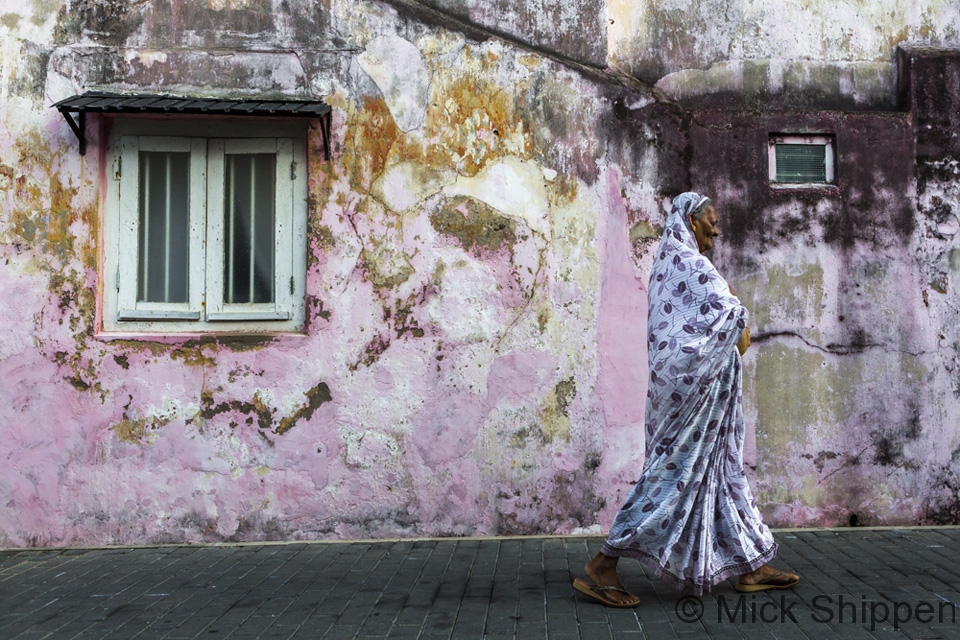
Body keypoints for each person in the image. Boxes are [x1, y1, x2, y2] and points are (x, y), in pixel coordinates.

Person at [574, 192, 799, 606]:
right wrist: (735, 305)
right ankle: (601, 566)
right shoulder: (694, 266)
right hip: (694, 395)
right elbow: (735, 326)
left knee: (721, 473)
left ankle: (751, 566)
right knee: (671, 477)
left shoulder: (669, 263)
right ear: (690, 221)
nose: (716, 227)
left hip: (690, 392)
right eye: (710, 220)